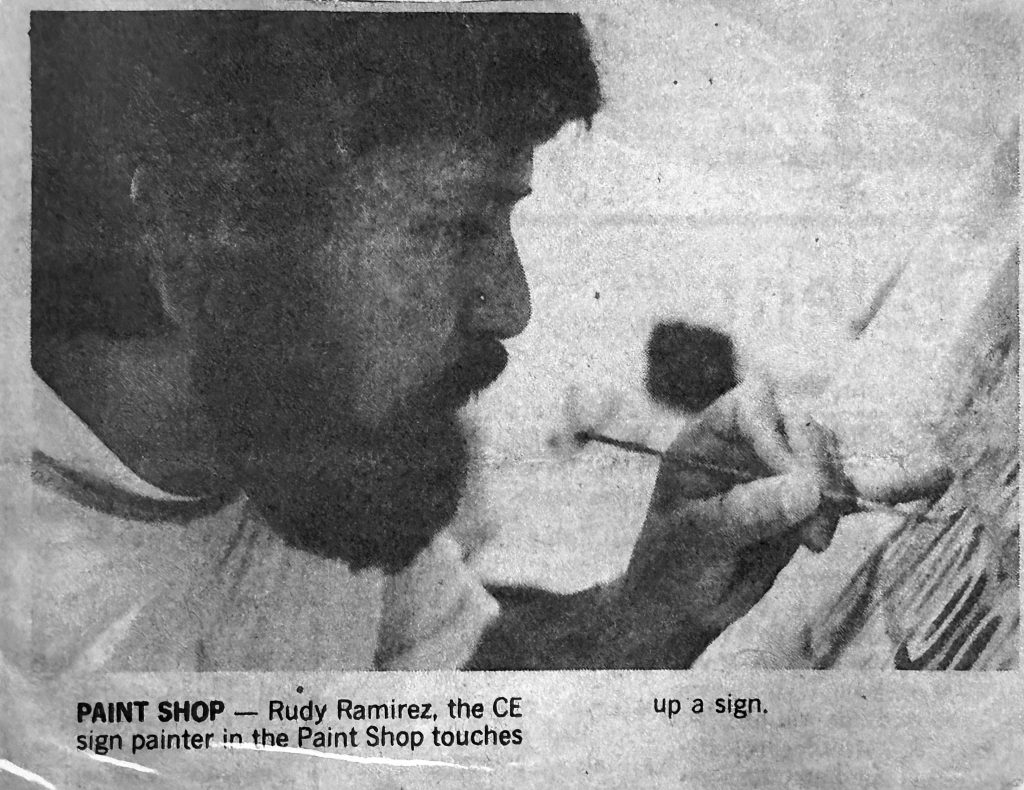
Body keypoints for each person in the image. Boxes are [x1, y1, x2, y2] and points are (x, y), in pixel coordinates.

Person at [22, 11, 849, 674]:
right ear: (206, 228)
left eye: (502, 219)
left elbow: (453, 679)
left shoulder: (309, 435)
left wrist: (650, 607)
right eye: (452, 224)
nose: (511, 305)